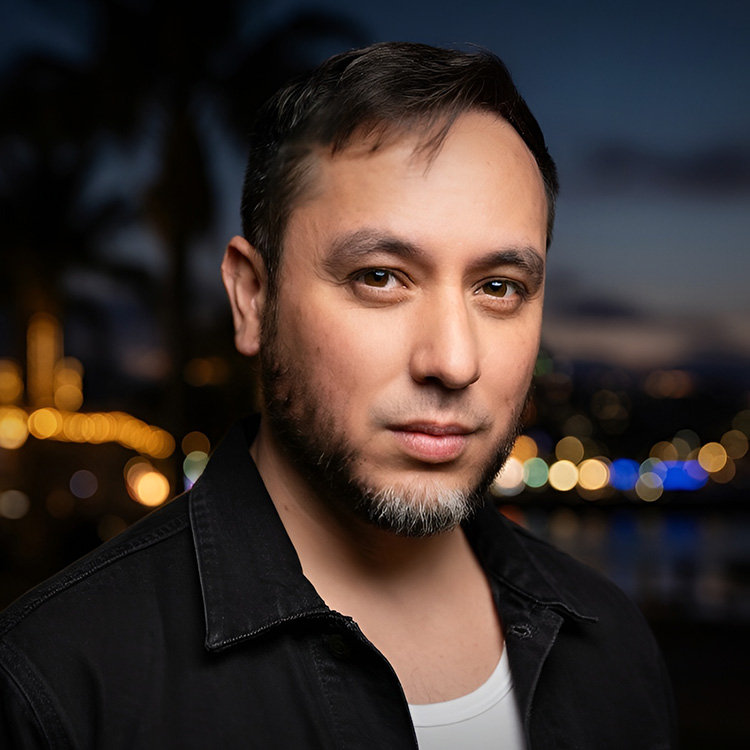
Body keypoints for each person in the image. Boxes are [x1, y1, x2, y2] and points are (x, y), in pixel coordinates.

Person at [0, 42, 676, 748]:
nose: (453, 361)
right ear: (253, 298)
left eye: (499, 288)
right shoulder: (61, 689)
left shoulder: (611, 647)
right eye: (380, 277)